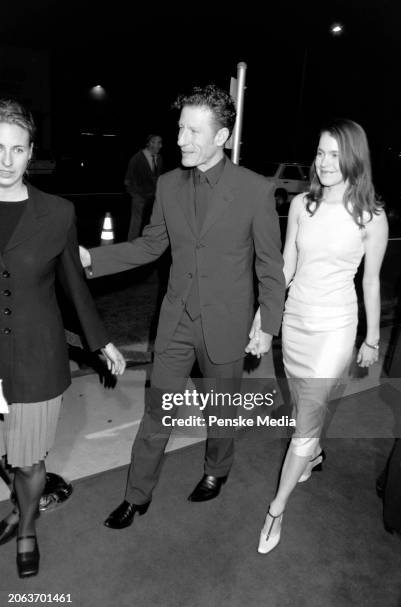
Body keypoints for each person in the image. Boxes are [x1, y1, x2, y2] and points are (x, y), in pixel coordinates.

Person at [79, 84, 285, 529]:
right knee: (157, 411)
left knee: (221, 410)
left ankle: (217, 469)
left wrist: (268, 323)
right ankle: (138, 495)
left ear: (222, 137)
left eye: (193, 131)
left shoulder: (255, 190)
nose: (181, 140)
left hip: (226, 326)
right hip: (175, 323)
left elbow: (271, 266)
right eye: (179, 129)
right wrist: (92, 257)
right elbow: (152, 245)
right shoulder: (169, 185)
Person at [247, 118, 388, 554]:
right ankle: (315, 452)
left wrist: (371, 339)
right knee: (306, 406)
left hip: (335, 329)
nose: (325, 162)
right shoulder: (303, 206)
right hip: (296, 324)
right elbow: (287, 266)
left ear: (353, 159)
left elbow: (371, 282)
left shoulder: (371, 216)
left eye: (335, 154)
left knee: (303, 424)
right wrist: (264, 316)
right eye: (320, 153)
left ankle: (277, 508)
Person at [0, 99, 126, 578]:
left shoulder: (56, 213)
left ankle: (27, 524)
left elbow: (74, 283)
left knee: (29, 462)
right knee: (8, 456)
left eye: (17, 149)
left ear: (32, 153)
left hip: (35, 356)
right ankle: (19, 504)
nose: (6, 160)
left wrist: (101, 341)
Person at [124, 134, 163, 240]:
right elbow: (128, 180)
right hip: (139, 195)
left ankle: (149, 241)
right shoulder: (137, 158)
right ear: (150, 143)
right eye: (158, 142)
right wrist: (135, 194)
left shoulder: (159, 158)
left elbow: (158, 177)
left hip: (153, 195)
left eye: (160, 143)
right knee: (136, 221)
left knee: (153, 220)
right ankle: (131, 243)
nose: (160, 146)